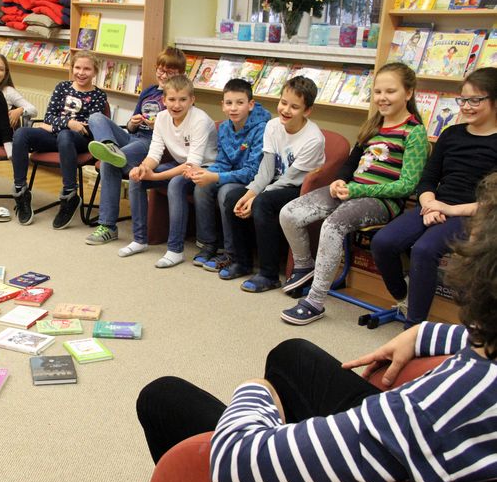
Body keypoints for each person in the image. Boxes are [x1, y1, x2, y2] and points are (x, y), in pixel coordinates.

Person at [137, 171, 497, 482]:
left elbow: (240, 463)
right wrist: (423, 332)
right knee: (292, 354)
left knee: (162, 397)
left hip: (363, 468)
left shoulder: (429, 410)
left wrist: (255, 391)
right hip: (420, 445)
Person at [278, 62, 427, 325]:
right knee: (290, 213)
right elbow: (351, 162)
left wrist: (357, 189)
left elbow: (407, 185)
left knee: (332, 226)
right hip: (351, 190)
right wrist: (339, 181)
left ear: (408, 93)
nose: (382, 97)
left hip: (382, 202)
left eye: (390, 91)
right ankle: (304, 265)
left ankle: (315, 301)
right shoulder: (373, 124)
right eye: (378, 91)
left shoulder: (414, 133)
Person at [371, 67, 497, 328]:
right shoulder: (451, 134)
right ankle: (404, 297)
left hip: (473, 214)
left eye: (475, 100)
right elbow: (428, 178)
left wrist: (449, 210)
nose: (467, 106)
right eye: (463, 100)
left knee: (424, 250)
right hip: (434, 205)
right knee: (383, 241)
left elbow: (492, 201)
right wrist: (430, 203)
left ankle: (414, 327)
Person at [210, 76, 325, 285]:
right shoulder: (272, 126)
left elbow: (289, 179)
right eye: (283, 103)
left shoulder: (313, 139)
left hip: (299, 188)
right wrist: (249, 193)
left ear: (307, 110)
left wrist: (256, 197)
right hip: (274, 183)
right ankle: (242, 262)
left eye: (294, 107)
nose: (286, 110)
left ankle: (269, 274)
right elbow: (266, 169)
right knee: (233, 197)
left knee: (262, 203)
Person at [83, 47, 186, 245]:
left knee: (108, 163)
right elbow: (130, 127)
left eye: (170, 72)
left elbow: (178, 134)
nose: (163, 75)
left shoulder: (180, 98)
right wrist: (133, 122)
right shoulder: (148, 91)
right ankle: (109, 146)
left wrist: (159, 126)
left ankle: (107, 226)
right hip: (133, 136)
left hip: (152, 143)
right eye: (161, 70)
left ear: (180, 74)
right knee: (96, 117)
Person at [122, 75, 218, 268]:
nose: (177, 105)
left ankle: (175, 250)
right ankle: (140, 239)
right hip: (180, 164)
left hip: (205, 168)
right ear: (164, 100)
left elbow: (192, 164)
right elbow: (155, 153)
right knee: (137, 178)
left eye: (183, 99)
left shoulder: (200, 120)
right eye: (172, 99)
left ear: (192, 100)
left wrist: (155, 176)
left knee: (175, 184)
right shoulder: (162, 118)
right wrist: (143, 168)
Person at [10, 50, 108, 229]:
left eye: (87, 69)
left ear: (95, 71)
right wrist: (69, 123)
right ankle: (21, 192)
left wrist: (55, 126)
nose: (81, 72)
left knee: (65, 135)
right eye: (77, 67)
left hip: (80, 141)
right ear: (72, 68)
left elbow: (88, 127)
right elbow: (49, 116)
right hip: (55, 137)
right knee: (21, 134)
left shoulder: (99, 96)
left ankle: (70, 195)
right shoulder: (62, 87)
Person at [190, 78, 271, 272]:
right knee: (202, 186)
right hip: (232, 175)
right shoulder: (225, 128)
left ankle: (231, 253)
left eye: (239, 102)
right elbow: (223, 163)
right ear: (223, 105)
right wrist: (204, 172)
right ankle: (209, 244)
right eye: (229, 103)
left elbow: (252, 172)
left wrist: (215, 177)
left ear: (250, 104)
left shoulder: (262, 129)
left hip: (253, 181)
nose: (233, 108)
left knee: (225, 191)